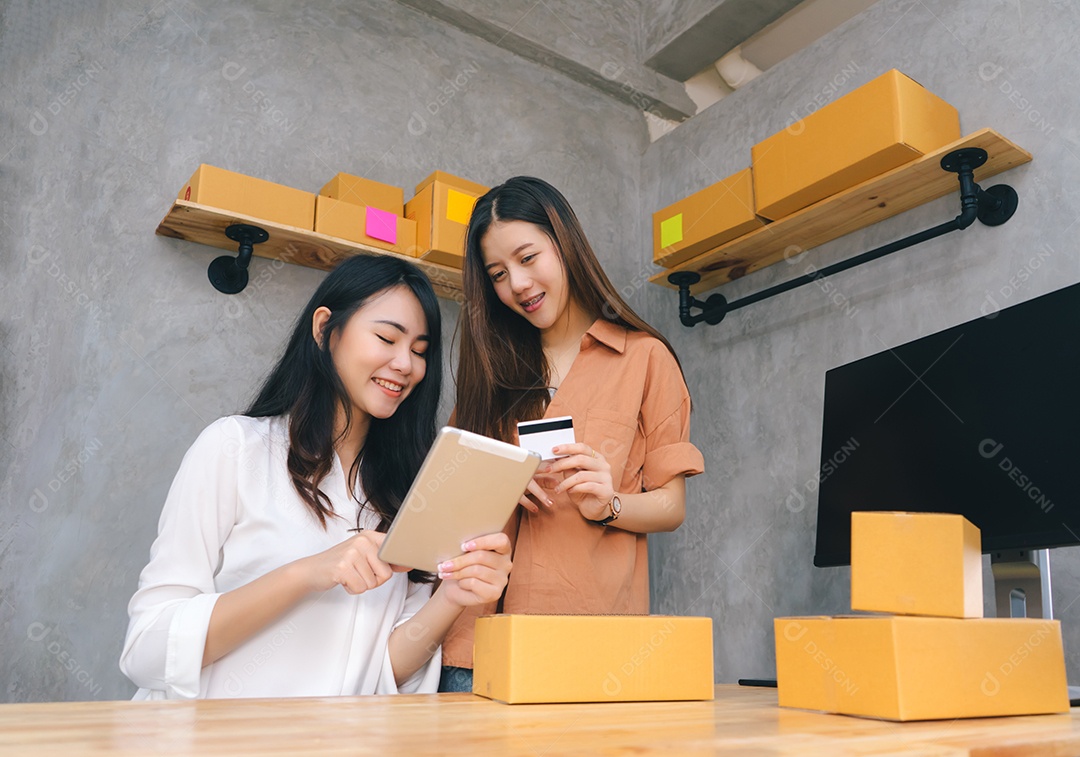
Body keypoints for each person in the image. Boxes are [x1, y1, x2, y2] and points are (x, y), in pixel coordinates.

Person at [120, 255, 511, 699]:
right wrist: (308, 574)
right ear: (325, 329)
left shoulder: (409, 491)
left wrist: (454, 596)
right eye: (387, 337)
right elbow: (147, 650)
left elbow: (383, 674)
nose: (406, 364)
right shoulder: (233, 448)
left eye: (420, 351)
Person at [439, 176, 705, 692]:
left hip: (595, 642)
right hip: (476, 644)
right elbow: (447, 509)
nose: (516, 284)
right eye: (497, 273)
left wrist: (608, 504)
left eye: (527, 257)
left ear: (564, 243)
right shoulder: (490, 376)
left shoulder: (645, 358)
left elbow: (671, 506)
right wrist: (493, 488)